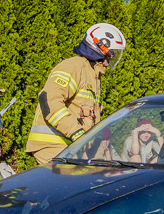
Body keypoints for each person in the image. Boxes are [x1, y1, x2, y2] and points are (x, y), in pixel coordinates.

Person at [26, 23, 126, 165]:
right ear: (100, 48)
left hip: (72, 148)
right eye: (111, 53)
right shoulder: (74, 66)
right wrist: (77, 134)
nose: (112, 57)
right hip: (54, 145)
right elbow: (49, 100)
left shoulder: (93, 76)